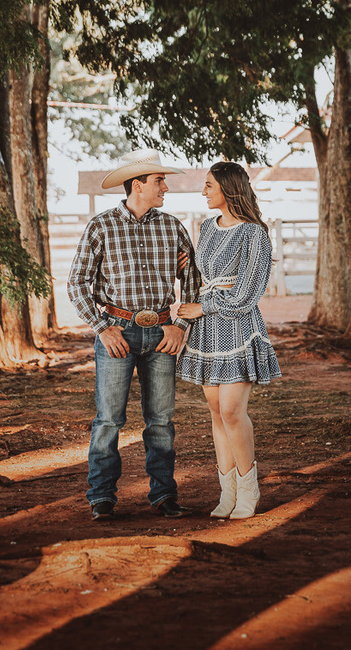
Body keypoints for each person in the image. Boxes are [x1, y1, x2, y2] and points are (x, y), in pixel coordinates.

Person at [67, 149, 201, 521]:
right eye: (159, 181)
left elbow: (192, 280)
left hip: (161, 333)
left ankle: (163, 495)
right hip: (117, 333)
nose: (166, 187)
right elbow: (77, 283)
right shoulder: (101, 226)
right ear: (137, 185)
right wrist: (101, 328)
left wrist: (181, 325)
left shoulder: (172, 227)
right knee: (109, 420)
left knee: (161, 420)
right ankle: (102, 497)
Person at [176, 161, 281, 520]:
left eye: (208, 185)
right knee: (216, 411)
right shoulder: (206, 228)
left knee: (233, 410)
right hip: (207, 332)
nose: (203, 191)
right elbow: (199, 275)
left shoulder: (255, 234)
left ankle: (249, 491)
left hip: (237, 328)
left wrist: (201, 306)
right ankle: (227, 492)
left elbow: (246, 295)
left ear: (227, 188)